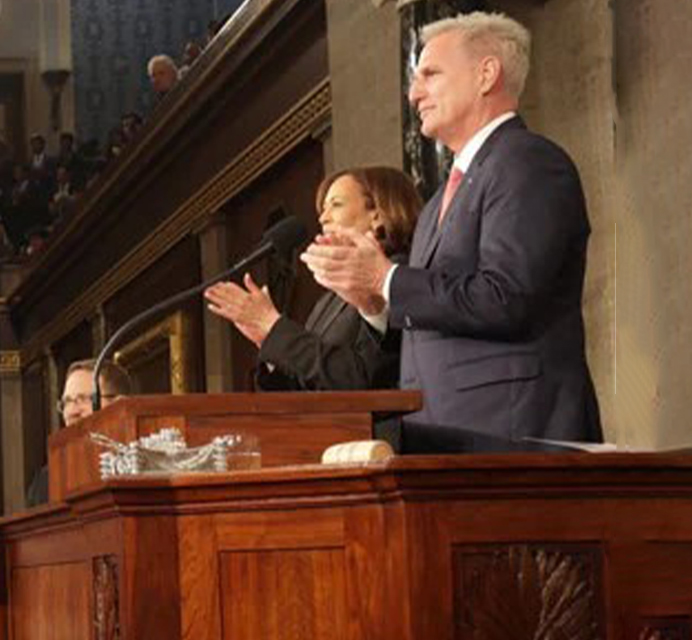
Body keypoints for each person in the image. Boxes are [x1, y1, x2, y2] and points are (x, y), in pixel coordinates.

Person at [302, 12, 601, 447]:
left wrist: (385, 278)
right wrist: (374, 302)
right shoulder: (443, 195)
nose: (413, 93)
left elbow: (506, 297)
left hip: (515, 435)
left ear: (486, 74)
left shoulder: (528, 162)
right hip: (444, 436)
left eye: (430, 74)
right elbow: (433, 317)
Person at [207, 167, 419, 391]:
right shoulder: (328, 301)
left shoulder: (399, 277)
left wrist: (272, 326)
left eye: (336, 205)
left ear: (377, 214)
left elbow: (361, 379)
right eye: (323, 208)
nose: (323, 217)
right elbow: (306, 388)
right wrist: (267, 340)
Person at [25, 359, 136, 506]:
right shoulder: (47, 480)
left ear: (119, 404)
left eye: (83, 399)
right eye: (67, 402)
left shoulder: (143, 463)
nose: (72, 412)